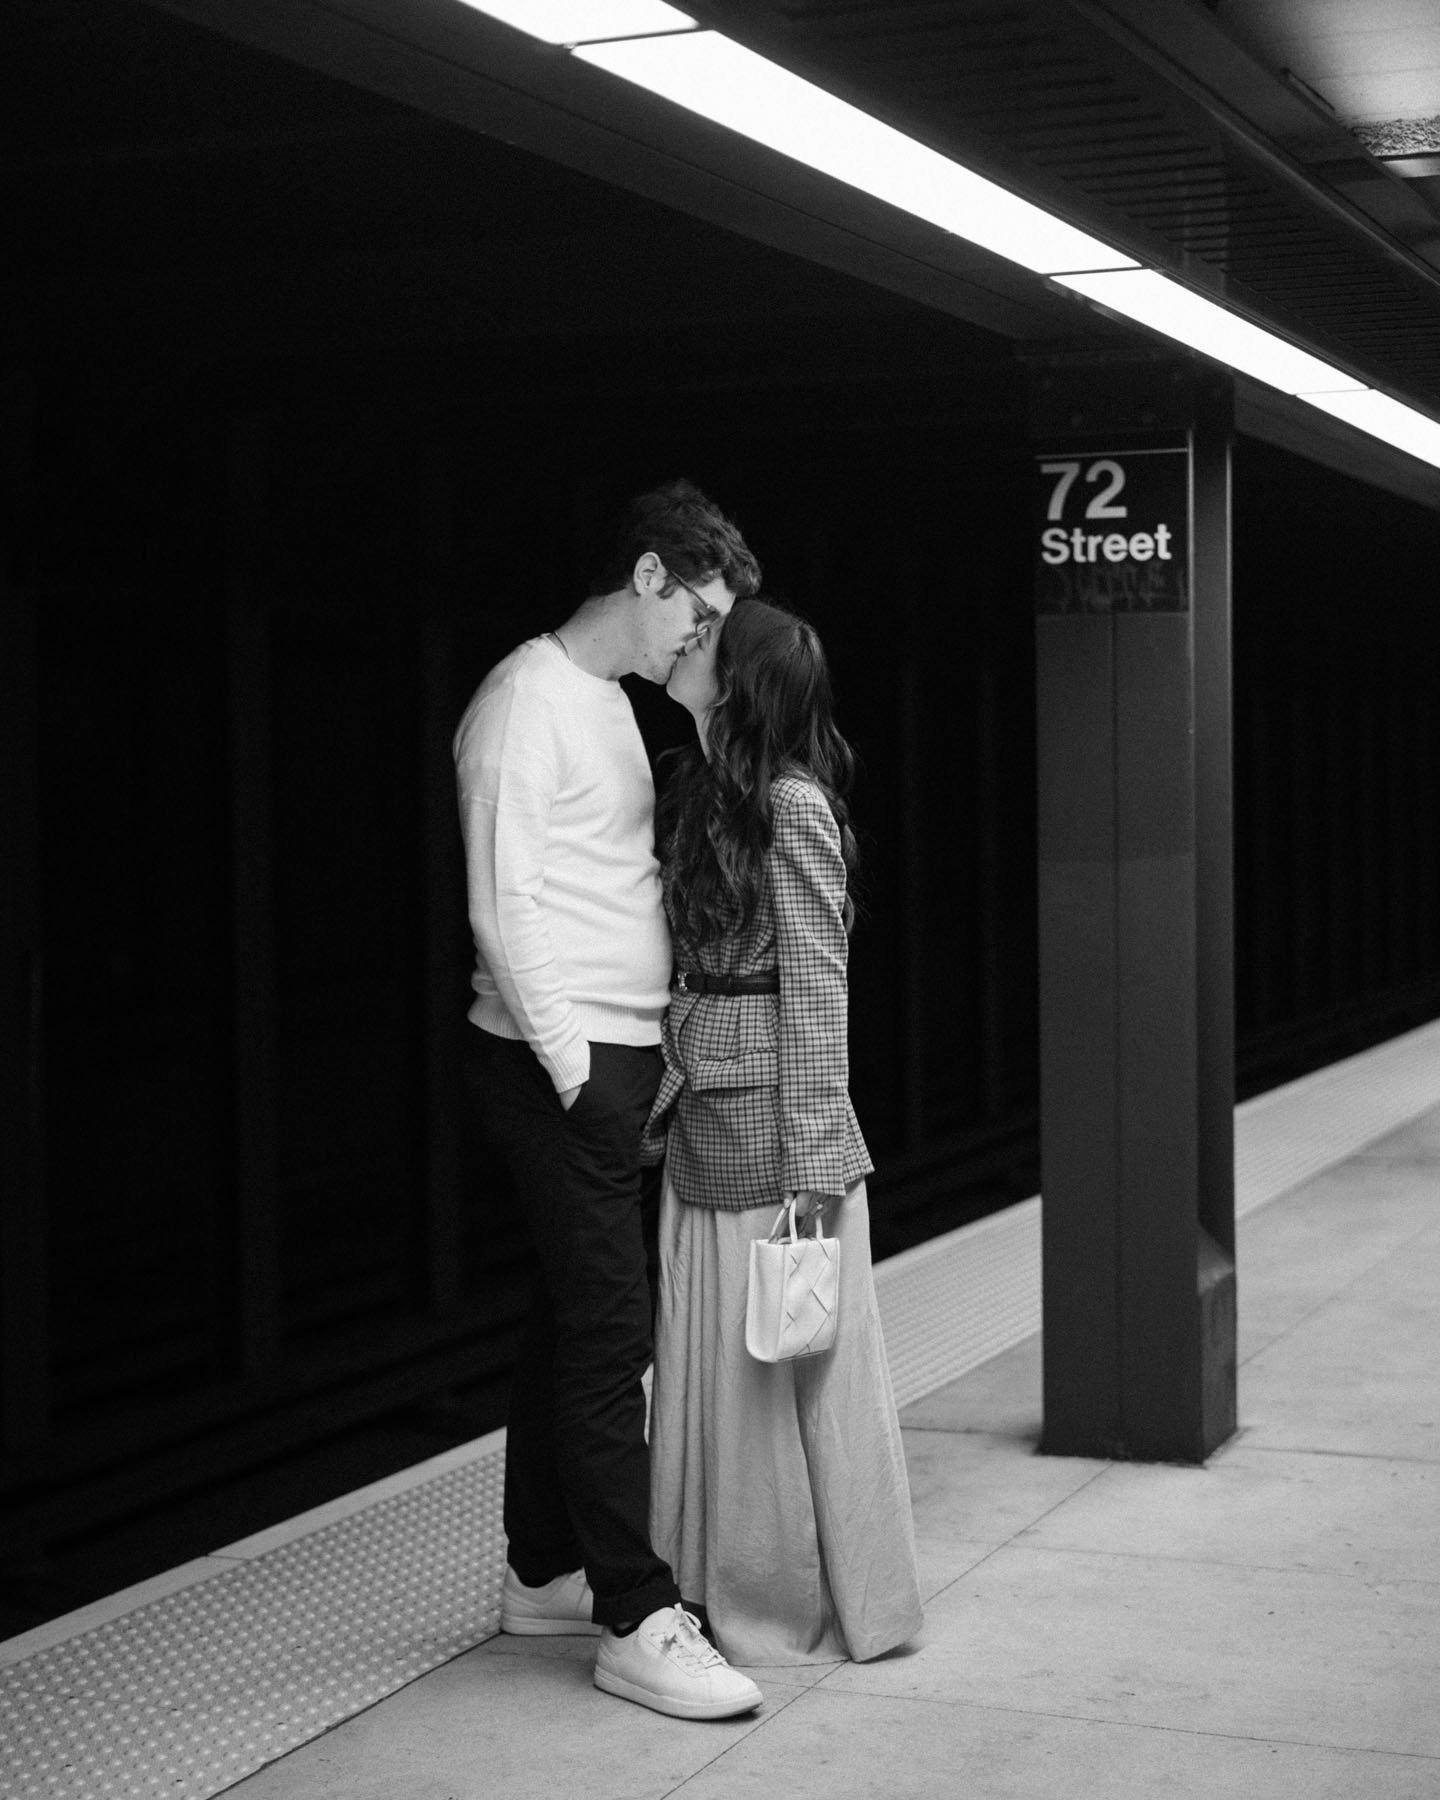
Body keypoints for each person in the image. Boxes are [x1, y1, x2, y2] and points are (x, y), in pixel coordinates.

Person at [454, 479, 766, 1720]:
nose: (698, 641)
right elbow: (504, 903)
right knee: (608, 1337)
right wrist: (582, 1074)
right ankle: (637, 1617)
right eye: (694, 616)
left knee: (564, 1313)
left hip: (611, 1063)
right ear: (647, 577)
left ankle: (546, 1570)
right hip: (556, 1067)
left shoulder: (610, 706)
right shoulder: (522, 701)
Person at [644, 596, 924, 1666]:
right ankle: (709, 1583)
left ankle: (789, 1604)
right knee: (720, 1374)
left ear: (741, 684)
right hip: (709, 1118)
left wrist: (815, 1160)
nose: (693, 645)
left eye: (712, 642)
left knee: (782, 1386)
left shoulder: (793, 808)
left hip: (777, 1146)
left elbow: (817, 989)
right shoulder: (702, 790)